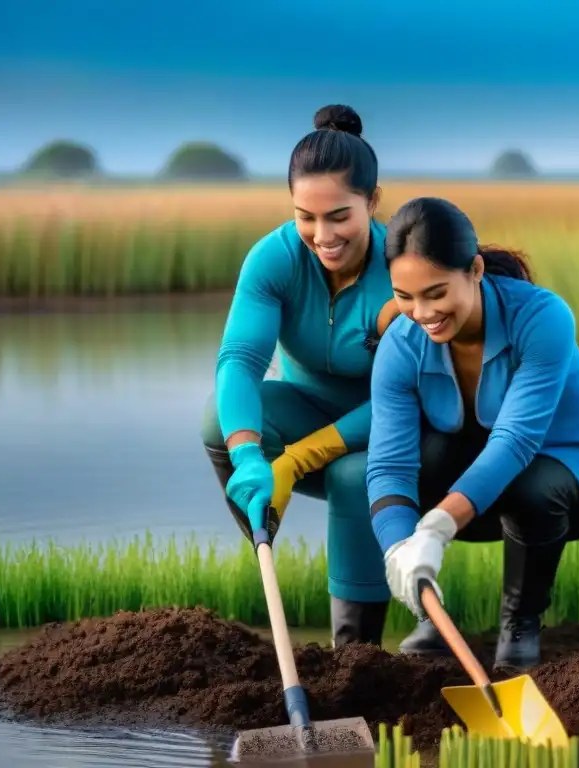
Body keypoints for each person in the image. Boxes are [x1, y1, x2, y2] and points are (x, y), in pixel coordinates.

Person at [364, 196, 579, 671]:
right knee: (422, 458)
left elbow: (515, 441)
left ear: (474, 270)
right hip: (480, 489)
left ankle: (520, 625)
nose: (422, 312)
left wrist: (437, 526)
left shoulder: (543, 317)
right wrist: (402, 550)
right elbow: (388, 465)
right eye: (404, 297)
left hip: (574, 481)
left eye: (435, 292)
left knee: (533, 483)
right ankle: (429, 610)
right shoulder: (401, 345)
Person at [200, 104, 400, 648]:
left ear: (372, 201)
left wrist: (297, 458)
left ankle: (356, 655)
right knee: (219, 422)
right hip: (308, 409)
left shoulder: (404, 267)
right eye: (304, 216)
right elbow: (238, 363)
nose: (321, 234)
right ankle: (262, 531)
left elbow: (402, 398)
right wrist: (248, 456)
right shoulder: (274, 260)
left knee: (352, 474)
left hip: (396, 429)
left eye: (339, 216)